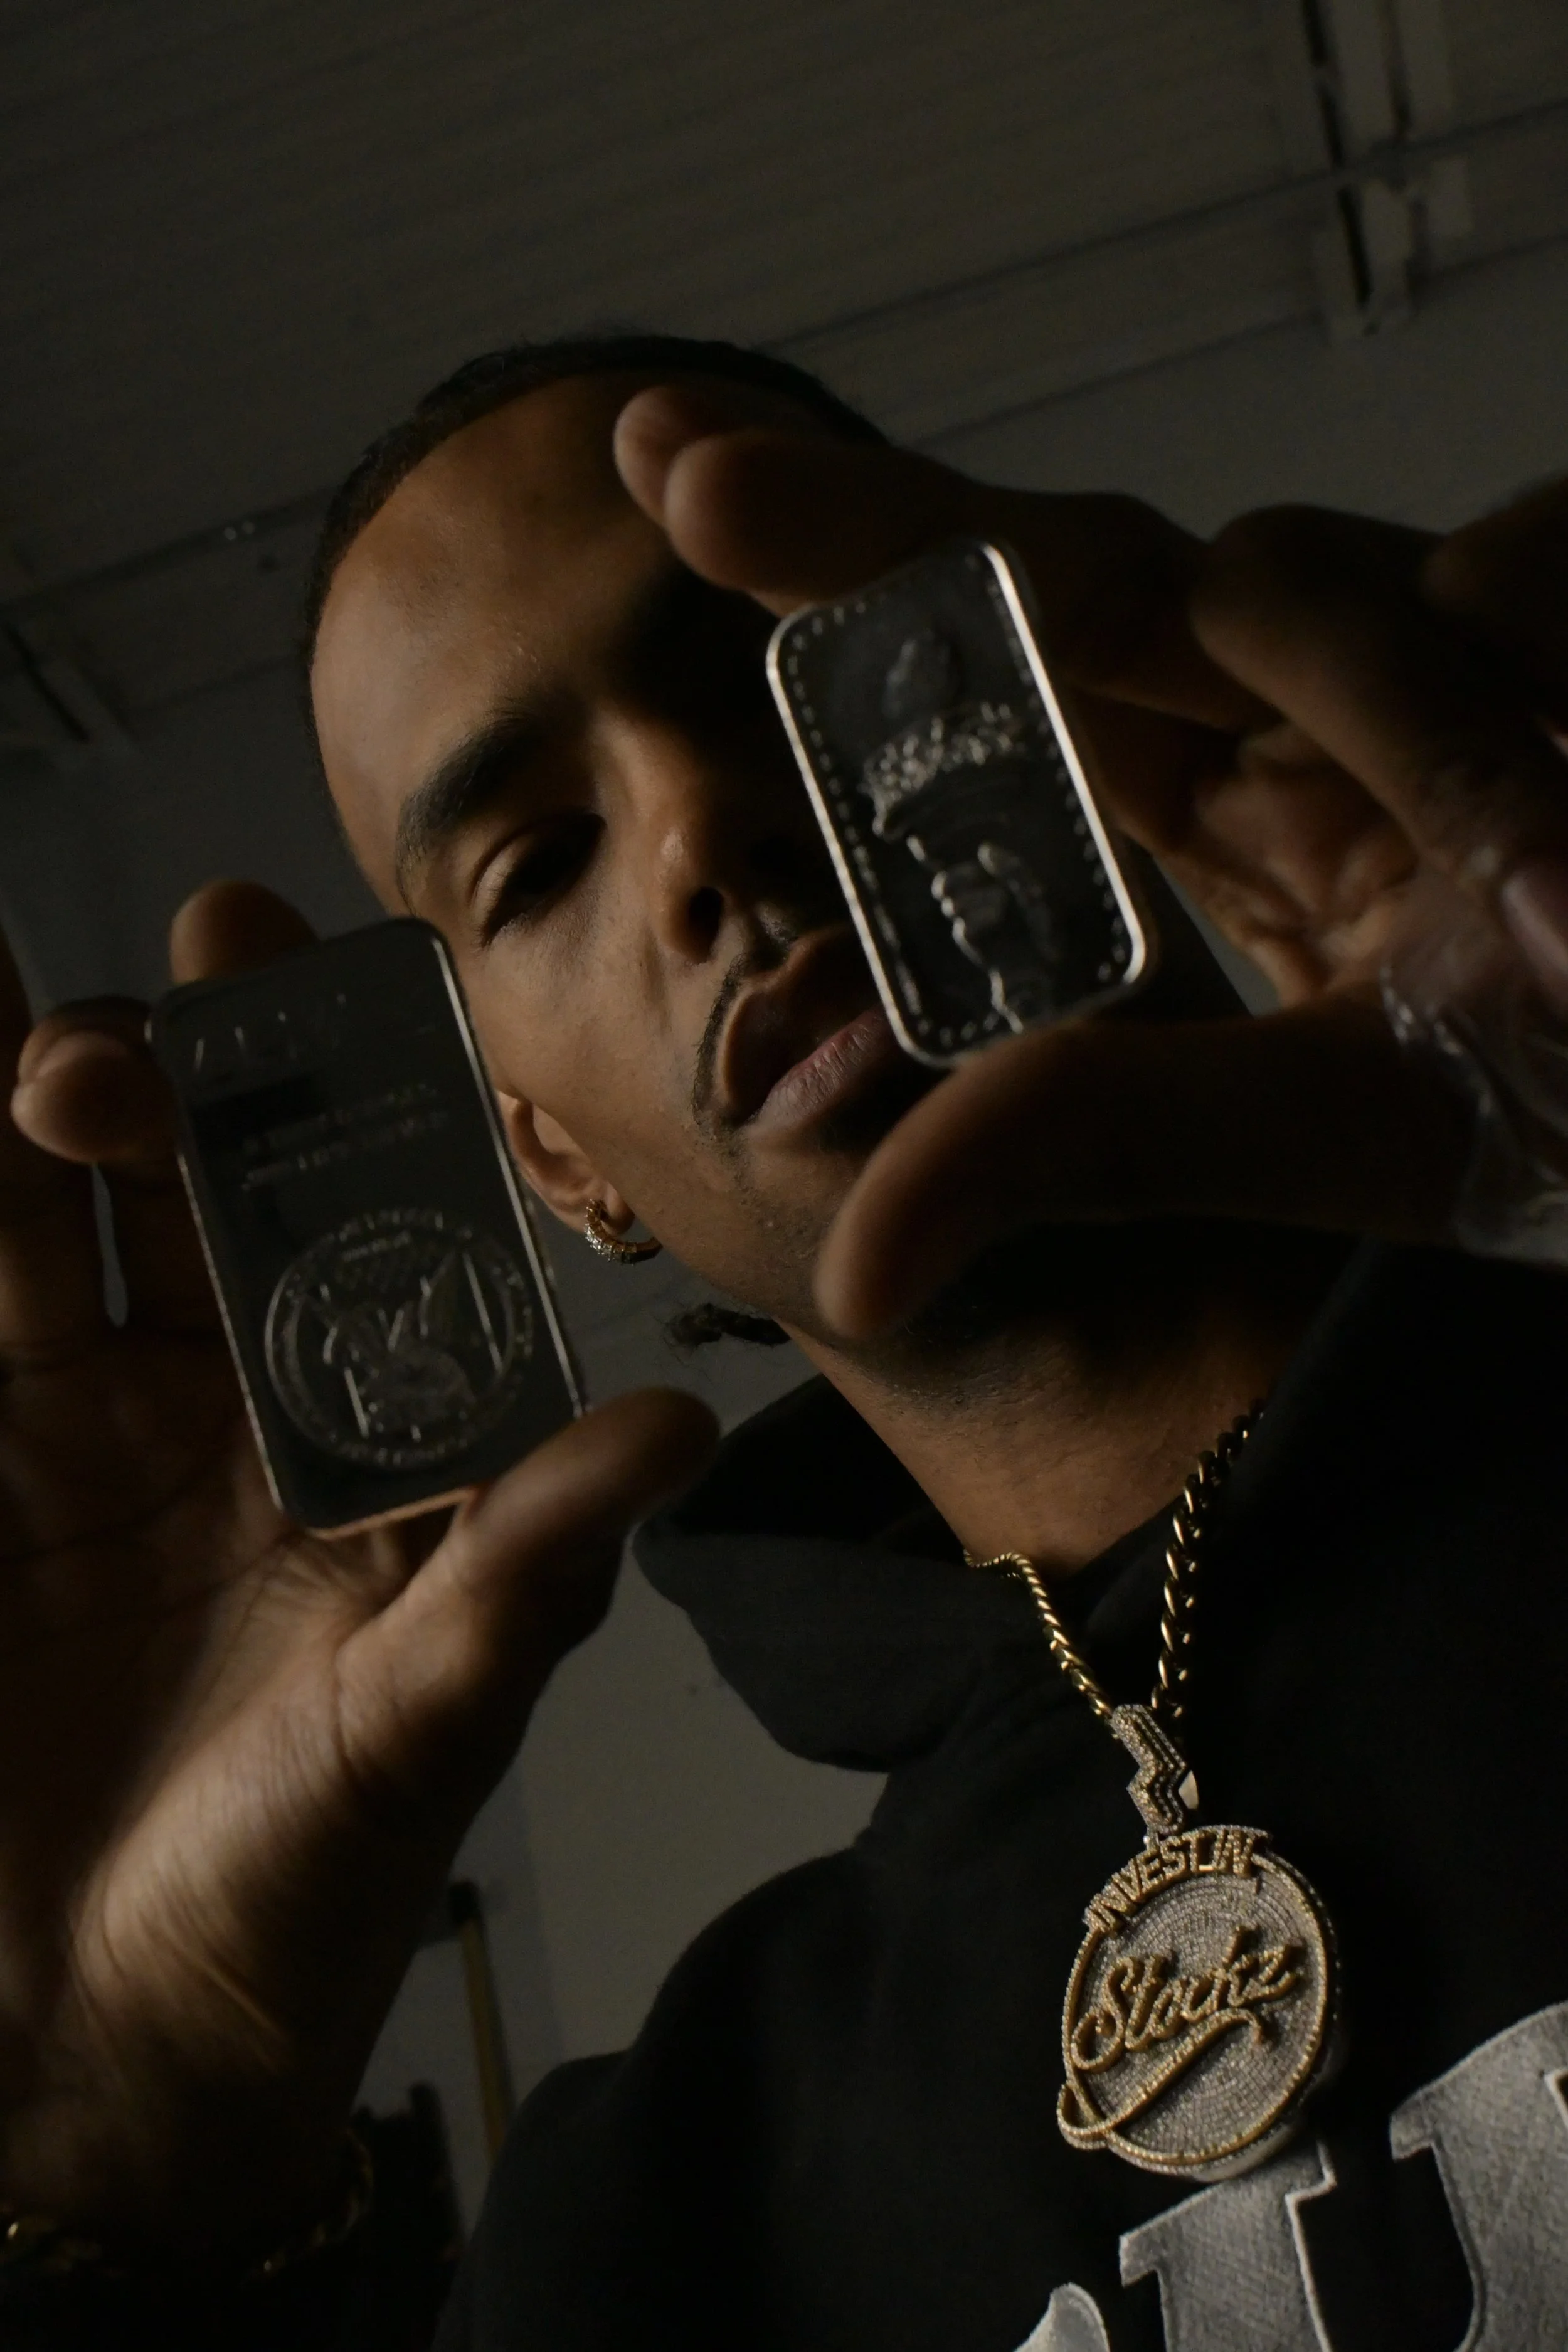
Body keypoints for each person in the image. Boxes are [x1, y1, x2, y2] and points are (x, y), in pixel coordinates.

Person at [1, 329, 1567, 2350]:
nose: (694, 835)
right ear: (562, 1163)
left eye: (760, 662)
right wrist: (115, 2151)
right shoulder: (668, 2220)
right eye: (537, 860)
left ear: (1046, 699)